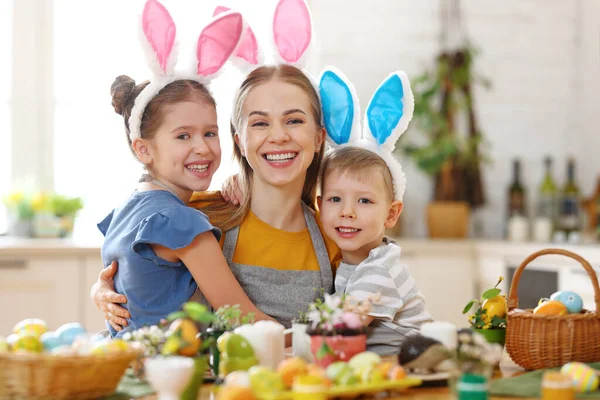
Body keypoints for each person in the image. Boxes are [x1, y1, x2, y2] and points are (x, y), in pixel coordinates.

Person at [92, 0, 342, 332]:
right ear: (239, 139)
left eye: (294, 120)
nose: (279, 136)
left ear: (319, 136)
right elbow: (139, 274)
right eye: (260, 123)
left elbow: (368, 315)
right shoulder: (198, 215)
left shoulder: (339, 232)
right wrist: (102, 290)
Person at [97, 1, 272, 337]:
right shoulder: (180, 222)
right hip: (166, 373)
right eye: (183, 136)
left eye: (210, 132)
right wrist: (316, 336)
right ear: (144, 149)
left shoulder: (129, 208)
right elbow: (239, 316)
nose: (202, 147)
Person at [316, 67, 434, 355]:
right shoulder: (352, 263)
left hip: (418, 375)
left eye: (364, 201)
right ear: (318, 207)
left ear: (391, 214)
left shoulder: (380, 269)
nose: (347, 212)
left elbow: (342, 329)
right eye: (335, 199)